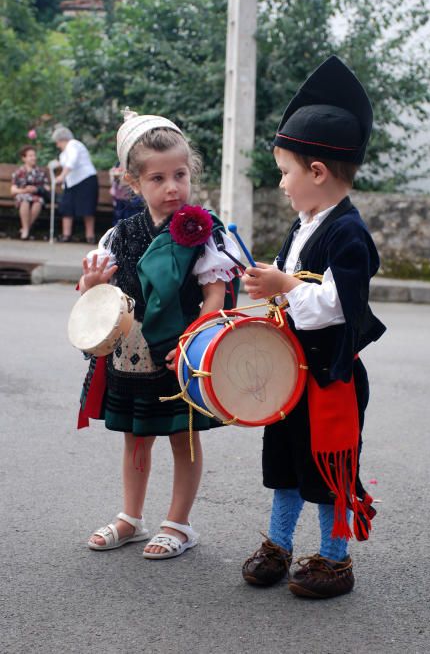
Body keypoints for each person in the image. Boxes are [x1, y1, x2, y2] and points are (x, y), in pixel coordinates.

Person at [241, 56, 386, 598]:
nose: (280, 183)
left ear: (318, 173)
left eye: (285, 171)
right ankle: (278, 545)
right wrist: (267, 288)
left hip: (329, 376)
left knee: (326, 470)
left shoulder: (350, 233)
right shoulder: (304, 226)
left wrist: (284, 286)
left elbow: (337, 304)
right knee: (283, 462)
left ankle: (334, 559)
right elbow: (290, 289)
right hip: (292, 374)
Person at [78, 109, 241, 559]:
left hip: (181, 353)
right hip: (132, 357)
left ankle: (180, 523)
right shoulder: (119, 235)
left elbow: (216, 291)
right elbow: (98, 294)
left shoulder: (204, 233)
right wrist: (92, 284)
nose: (172, 187)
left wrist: (197, 337)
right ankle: (131, 517)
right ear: (133, 183)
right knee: (136, 435)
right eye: (158, 178)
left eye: (180, 174)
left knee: (183, 434)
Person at [51, 126, 99, 243]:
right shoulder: (64, 152)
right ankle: (66, 235)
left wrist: (62, 176)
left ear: (63, 139)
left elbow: (72, 161)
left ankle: (90, 236)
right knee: (67, 206)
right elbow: (64, 162)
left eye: (57, 142)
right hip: (71, 183)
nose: (57, 145)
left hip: (85, 180)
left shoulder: (73, 144)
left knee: (87, 208)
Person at [10, 145, 50, 240]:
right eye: (30, 156)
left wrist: (36, 189)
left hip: (37, 196)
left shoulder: (40, 172)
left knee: (38, 202)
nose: (34, 158)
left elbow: (47, 188)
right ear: (24, 158)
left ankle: (24, 229)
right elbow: (13, 190)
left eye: (34, 155)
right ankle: (26, 230)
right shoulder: (19, 172)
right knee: (25, 201)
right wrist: (25, 190)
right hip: (22, 196)